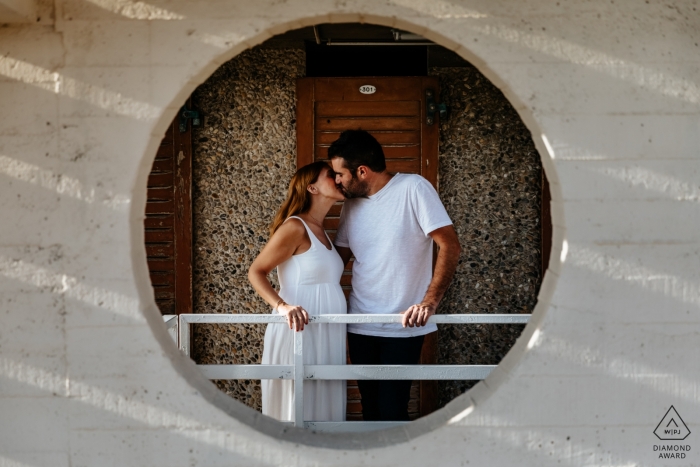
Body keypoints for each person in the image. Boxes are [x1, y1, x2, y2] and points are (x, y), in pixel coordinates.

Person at [329, 130, 461, 421]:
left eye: (339, 174)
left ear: (361, 171)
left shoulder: (414, 188)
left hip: (403, 325)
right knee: (371, 410)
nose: (336, 181)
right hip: (360, 324)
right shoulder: (351, 204)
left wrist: (429, 302)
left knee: (392, 411)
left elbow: (450, 245)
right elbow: (336, 261)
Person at [248, 161, 347, 422]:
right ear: (312, 187)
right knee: (297, 408)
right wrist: (282, 306)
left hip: (327, 333)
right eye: (331, 175)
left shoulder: (322, 231)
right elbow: (256, 271)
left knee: (323, 407)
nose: (338, 179)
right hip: (298, 330)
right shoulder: (295, 227)